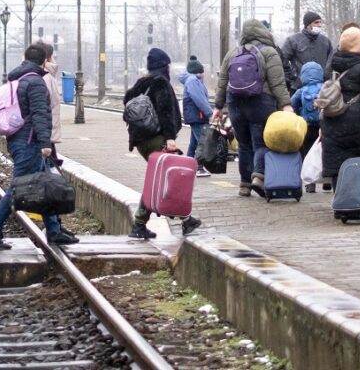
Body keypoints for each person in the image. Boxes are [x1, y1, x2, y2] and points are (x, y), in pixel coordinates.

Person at [0, 45, 78, 249]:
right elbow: (40, 114)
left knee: (45, 183)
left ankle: (54, 231)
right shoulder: (35, 82)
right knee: (17, 187)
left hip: (20, 138)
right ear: (44, 61)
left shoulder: (18, 79)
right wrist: (45, 143)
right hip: (29, 141)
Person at [123, 48, 201, 239]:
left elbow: (127, 102)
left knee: (158, 177)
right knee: (170, 178)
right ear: (164, 66)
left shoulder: (141, 83)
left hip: (141, 141)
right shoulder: (161, 83)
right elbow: (166, 112)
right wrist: (170, 138)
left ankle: (143, 224)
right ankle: (182, 220)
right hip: (157, 138)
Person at [212, 20, 293, 197]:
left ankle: (244, 184)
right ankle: (259, 177)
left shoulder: (232, 53)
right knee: (262, 142)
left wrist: (218, 107)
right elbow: (277, 82)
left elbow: (222, 83)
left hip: (235, 103)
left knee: (243, 145)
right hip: (261, 101)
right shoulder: (269, 52)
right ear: (263, 32)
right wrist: (286, 104)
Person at [320, 28, 360, 189]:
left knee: (337, 164)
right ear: (359, 44)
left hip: (331, 119)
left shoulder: (332, 66)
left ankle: (340, 200)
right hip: (357, 123)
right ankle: (359, 198)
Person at [290, 61, 325, 192]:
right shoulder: (324, 88)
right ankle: (327, 179)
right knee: (324, 152)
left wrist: (299, 112)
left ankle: (310, 183)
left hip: (308, 127)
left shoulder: (301, 91)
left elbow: (292, 104)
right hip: (323, 126)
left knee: (307, 152)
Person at [281, 11, 333, 92]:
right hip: (299, 88)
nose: (319, 25)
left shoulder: (325, 41)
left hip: (322, 89)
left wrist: (327, 76)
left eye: (320, 22)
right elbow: (282, 59)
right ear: (308, 25)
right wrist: (293, 77)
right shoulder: (293, 41)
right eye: (316, 22)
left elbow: (331, 61)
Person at [179, 55, 213, 177]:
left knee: (194, 143)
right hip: (196, 115)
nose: (204, 74)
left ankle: (187, 166)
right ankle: (198, 167)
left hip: (196, 115)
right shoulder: (193, 81)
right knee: (202, 141)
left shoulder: (193, 80)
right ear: (199, 72)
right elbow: (199, 100)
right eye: (202, 71)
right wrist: (210, 112)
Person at [37, 42, 63, 166]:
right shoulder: (45, 75)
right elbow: (44, 103)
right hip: (45, 126)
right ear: (48, 58)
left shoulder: (46, 74)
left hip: (46, 126)